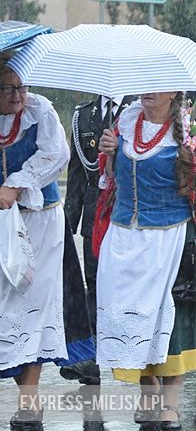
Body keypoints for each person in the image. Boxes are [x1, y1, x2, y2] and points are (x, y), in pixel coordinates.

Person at [96, 90, 196, 430]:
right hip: (125, 237)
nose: (148, 94)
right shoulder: (124, 125)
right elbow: (111, 180)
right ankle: (147, 389)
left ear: (174, 93)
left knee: (172, 319)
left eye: (157, 88)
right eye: (145, 87)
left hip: (170, 238)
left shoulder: (189, 133)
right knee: (132, 318)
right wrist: (109, 155)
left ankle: (170, 403)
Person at [0, 58, 96, 431]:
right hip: (2, 221)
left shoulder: (40, 111)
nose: (18, 95)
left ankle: (29, 401)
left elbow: (57, 155)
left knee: (33, 308)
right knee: (5, 310)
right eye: (8, 89)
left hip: (39, 222)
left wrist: (16, 184)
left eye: (22, 87)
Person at [63, 94, 133, 385]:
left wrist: (118, 150)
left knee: (128, 285)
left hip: (129, 208)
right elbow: (77, 173)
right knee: (93, 283)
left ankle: (137, 354)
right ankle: (90, 359)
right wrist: (67, 224)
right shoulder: (84, 115)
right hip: (96, 211)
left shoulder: (139, 108)